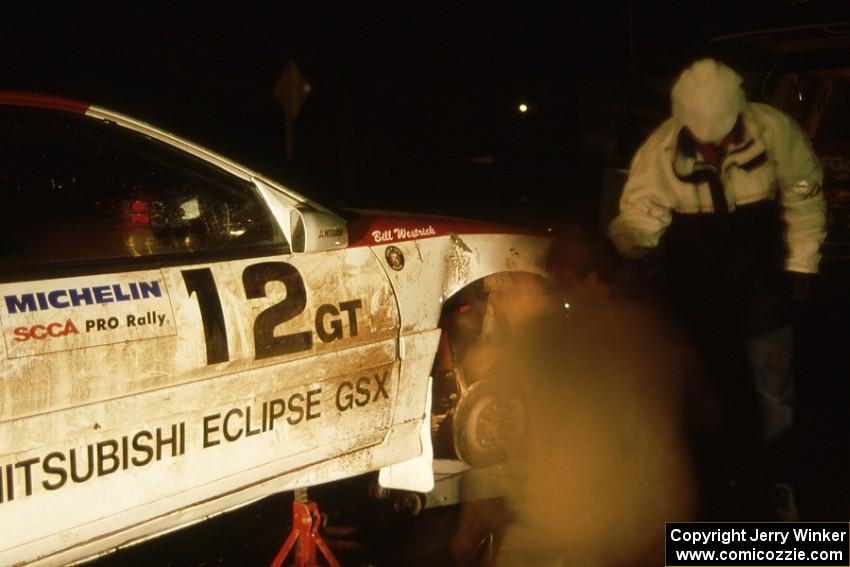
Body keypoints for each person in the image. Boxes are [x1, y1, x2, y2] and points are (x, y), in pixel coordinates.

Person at [607, 58, 827, 518]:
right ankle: (714, 495)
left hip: (761, 285)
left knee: (772, 392)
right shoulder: (660, 152)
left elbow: (804, 196)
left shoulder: (776, 131)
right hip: (698, 292)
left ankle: (775, 483)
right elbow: (640, 215)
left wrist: (802, 265)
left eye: (725, 137)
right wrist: (626, 247)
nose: (718, 146)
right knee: (709, 395)